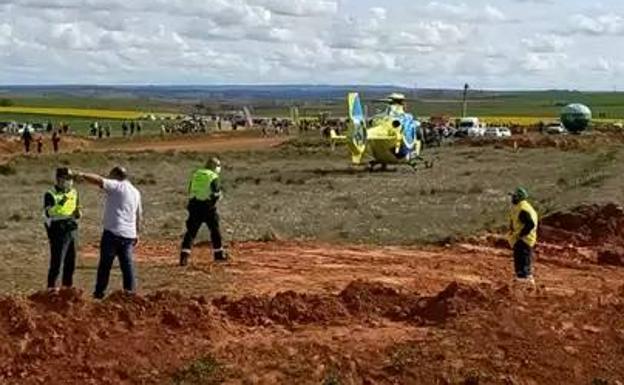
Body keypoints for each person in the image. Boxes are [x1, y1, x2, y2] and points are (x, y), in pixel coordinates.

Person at [73, 166, 142, 299]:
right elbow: (139, 214)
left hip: (113, 233)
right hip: (129, 234)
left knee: (105, 265)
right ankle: (130, 293)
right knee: (127, 266)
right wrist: (137, 232)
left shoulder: (117, 185)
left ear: (116, 176)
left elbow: (99, 180)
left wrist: (81, 174)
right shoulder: (136, 192)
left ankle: (99, 293)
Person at [180, 157, 225, 266]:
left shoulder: (196, 174)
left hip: (194, 205)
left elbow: (190, 189)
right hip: (207, 206)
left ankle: (184, 257)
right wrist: (214, 202)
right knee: (215, 230)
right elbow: (216, 193)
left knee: (191, 231)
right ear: (215, 167)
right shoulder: (213, 176)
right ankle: (218, 254)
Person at [44, 168, 81, 290]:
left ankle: (67, 288)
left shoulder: (74, 192)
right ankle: (51, 288)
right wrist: (61, 202)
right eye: (67, 179)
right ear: (59, 179)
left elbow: (76, 207)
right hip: (58, 229)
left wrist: (78, 213)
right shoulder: (50, 194)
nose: (69, 182)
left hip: (72, 228)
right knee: (57, 262)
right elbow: (49, 212)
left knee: (71, 261)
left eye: (71, 179)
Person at [508, 187, 538, 285]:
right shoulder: (523, 207)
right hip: (524, 239)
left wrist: (520, 235)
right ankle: (523, 281)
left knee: (522, 263)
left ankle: (524, 284)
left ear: (518, 197)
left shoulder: (522, 209)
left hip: (523, 240)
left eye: (513, 196)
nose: (512, 198)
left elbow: (530, 224)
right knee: (522, 262)